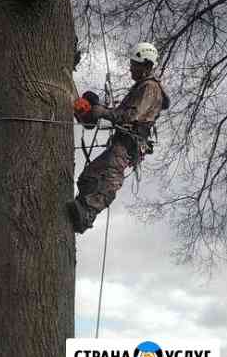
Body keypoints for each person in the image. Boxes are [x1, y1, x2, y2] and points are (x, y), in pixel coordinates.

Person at [68, 42, 170, 233]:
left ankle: (87, 213)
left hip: (129, 143)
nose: (131, 67)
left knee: (111, 178)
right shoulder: (141, 87)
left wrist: (102, 112)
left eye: (135, 64)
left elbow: (131, 116)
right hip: (123, 141)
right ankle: (81, 207)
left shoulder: (150, 87)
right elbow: (123, 114)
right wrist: (100, 111)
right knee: (88, 177)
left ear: (146, 65)